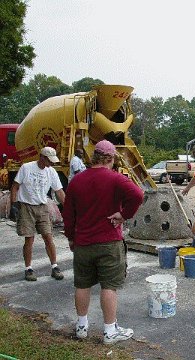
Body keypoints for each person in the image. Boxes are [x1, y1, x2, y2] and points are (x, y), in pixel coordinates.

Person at [62, 140, 143, 344]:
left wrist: (71, 238)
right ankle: (109, 331)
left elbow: (68, 215)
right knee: (108, 286)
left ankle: (81, 327)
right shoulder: (115, 179)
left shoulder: (76, 181)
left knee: (82, 284)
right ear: (110, 158)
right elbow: (138, 194)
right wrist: (124, 215)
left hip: (83, 242)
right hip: (108, 242)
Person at [10, 146, 66, 281]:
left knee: (48, 237)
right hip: (26, 207)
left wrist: (69, 208)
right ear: (42, 157)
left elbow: (59, 191)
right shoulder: (26, 168)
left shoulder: (51, 172)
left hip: (42, 207)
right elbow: (15, 186)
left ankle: (55, 267)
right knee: (29, 238)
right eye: (49, 160)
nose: (51, 163)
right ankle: (28, 269)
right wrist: (14, 204)